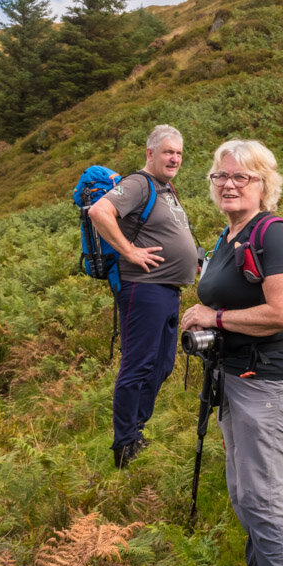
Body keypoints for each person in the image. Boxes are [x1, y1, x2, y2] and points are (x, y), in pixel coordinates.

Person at [178, 140, 283, 566]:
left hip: (270, 383)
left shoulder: (271, 236)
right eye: (221, 177)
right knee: (245, 493)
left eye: (243, 177)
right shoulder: (229, 234)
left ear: (264, 185)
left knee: (264, 496)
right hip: (236, 378)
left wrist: (214, 316)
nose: (230, 184)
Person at [86, 125, 196, 467]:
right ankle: (125, 444)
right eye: (167, 152)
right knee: (138, 364)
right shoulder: (138, 183)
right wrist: (129, 250)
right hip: (143, 288)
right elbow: (99, 212)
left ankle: (136, 430)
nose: (174, 158)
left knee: (162, 365)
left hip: (168, 290)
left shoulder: (167, 189)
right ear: (150, 153)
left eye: (178, 152)